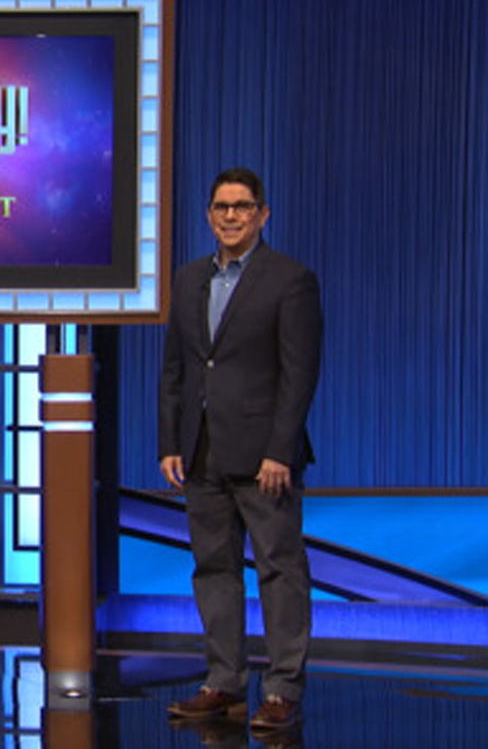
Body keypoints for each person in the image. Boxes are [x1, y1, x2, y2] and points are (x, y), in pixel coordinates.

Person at [158, 168, 321, 736]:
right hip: (200, 453)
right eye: (222, 207)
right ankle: (223, 682)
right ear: (208, 214)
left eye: (243, 207)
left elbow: (299, 376)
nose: (231, 216)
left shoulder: (290, 280)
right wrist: (169, 442)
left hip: (264, 458)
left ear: (263, 215)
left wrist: (280, 450)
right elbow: (175, 369)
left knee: (279, 570)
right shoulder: (186, 280)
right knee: (213, 569)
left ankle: (281, 689)